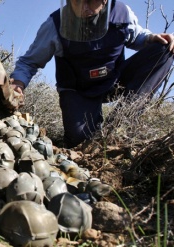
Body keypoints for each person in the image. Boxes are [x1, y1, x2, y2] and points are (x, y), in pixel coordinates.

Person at [10, 0, 174, 148]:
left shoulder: (122, 13)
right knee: (82, 143)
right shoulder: (55, 24)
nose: (84, 9)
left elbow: (135, 35)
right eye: (77, 2)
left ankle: (120, 125)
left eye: (91, 1)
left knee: (165, 49)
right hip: (78, 91)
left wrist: (151, 37)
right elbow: (29, 61)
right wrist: (18, 83)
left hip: (113, 82)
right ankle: (88, 133)